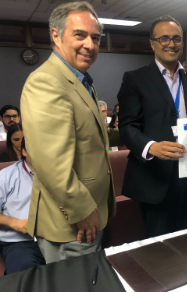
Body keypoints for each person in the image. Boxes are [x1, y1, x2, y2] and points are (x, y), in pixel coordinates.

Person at [20, 1, 116, 264]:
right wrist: (83, 211)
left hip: (89, 215)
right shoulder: (47, 82)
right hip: (72, 222)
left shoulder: (81, 80)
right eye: (80, 35)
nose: (90, 44)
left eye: (95, 38)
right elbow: (51, 164)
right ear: (55, 35)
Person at [118, 15, 187, 238]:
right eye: (164, 38)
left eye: (177, 38)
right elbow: (128, 126)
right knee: (159, 243)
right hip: (156, 176)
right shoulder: (135, 79)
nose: (171, 43)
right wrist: (151, 147)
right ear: (152, 43)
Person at [0, 138, 46, 275]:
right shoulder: (6, 176)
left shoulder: (58, 175)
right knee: (25, 274)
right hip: (19, 241)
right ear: (24, 151)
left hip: (55, 237)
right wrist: (15, 222)